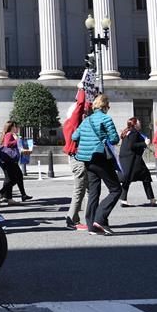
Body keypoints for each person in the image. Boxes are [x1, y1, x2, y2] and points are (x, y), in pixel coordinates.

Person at [71, 94, 122, 235]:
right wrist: (104, 138)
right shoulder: (106, 118)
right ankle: (99, 219)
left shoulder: (86, 120)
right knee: (116, 189)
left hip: (87, 159)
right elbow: (114, 138)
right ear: (105, 106)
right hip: (100, 158)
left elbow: (74, 136)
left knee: (94, 192)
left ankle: (91, 226)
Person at [63, 85, 91, 230]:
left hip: (79, 158)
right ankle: (72, 220)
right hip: (77, 159)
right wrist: (82, 90)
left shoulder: (71, 123)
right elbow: (81, 105)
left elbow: (84, 107)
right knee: (79, 189)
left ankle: (88, 217)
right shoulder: (73, 123)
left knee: (87, 189)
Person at [118, 118, 157, 206]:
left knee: (128, 179)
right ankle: (152, 199)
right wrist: (145, 143)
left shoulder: (128, 132)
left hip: (127, 159)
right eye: (138, 122)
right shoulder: (134, 132)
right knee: (146, 178)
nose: (140, 123)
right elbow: (132, 145)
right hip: (133, 160)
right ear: (135, 124)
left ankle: (123, 199)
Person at [0, 121, 29, 205]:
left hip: (8, 160)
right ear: (11, 127)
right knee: (13, 179)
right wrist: (17, 140)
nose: (17, 128)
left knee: (12, 178)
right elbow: (7, 144)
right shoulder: (9, 134)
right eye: (15, 126)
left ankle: (8, 198)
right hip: (9, 161)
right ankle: (1, 193)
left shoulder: (8, 134)